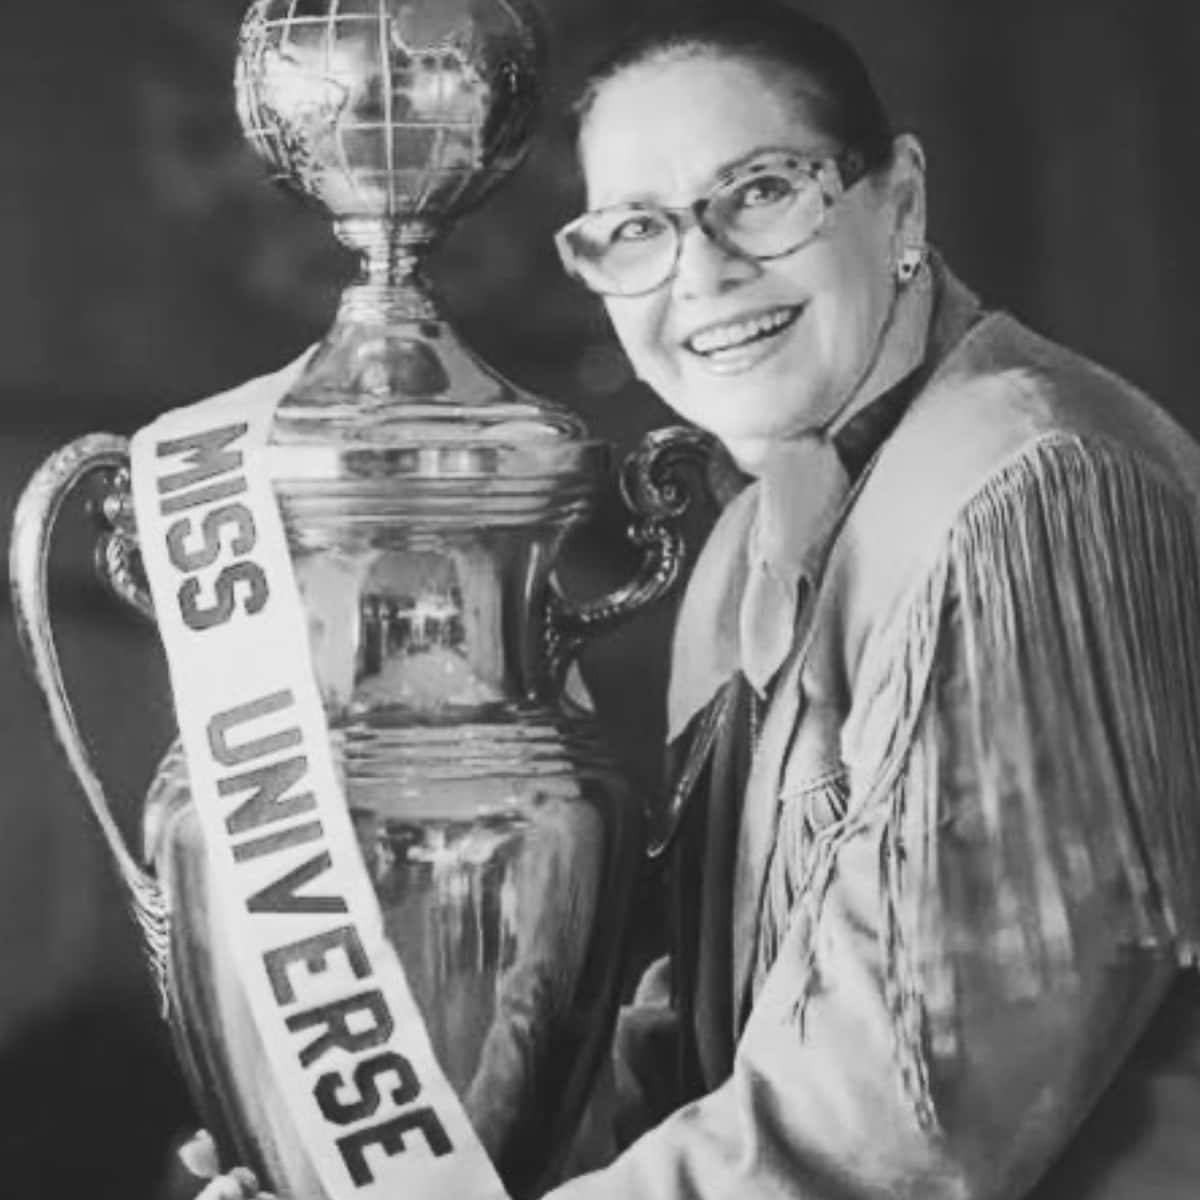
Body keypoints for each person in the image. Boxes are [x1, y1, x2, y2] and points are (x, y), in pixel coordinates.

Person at [192, 2, 1200, 1197]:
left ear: (901, 201)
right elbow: (702, 1042)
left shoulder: (1028, 485)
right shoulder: (746, 542)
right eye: (636, 230)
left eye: (762, 192)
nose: (705, 273)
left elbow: (914, 1102)